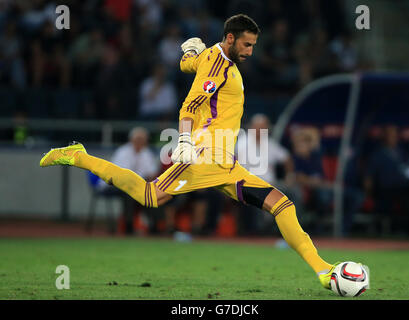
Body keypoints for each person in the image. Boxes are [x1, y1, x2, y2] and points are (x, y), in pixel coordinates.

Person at [40, 14, 343, 291]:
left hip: (226, 162)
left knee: (282, 204)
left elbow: (188, 65)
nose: (250, 51)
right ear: (230, 38)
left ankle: (323, 270)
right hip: (203, 154)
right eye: (247, 44)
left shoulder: (211, 56)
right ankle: (79, 156)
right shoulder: (218, 67)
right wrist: (184, 141)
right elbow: (190, 105)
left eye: (253, 45)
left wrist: (189, 51)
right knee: (150, 196)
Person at [235, 113, 299, 235]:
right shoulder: (241, 143)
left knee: (294, 192)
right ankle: (259, 232)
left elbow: (286, 158)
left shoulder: (270, 143)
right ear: (251, 127)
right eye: (257, 127)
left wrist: (289, 176)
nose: (260, 130)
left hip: (271, 184)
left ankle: (290, 231)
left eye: (263, 127)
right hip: (249, 184)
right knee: (255, 195)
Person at [97, 127, 159, 235]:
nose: (140, 142)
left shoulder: (146, 153)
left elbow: (152, 173)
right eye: (138, 139)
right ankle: (128, 226)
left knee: (154, 192)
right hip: (112, 184)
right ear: (131, 140)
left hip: (135, 185)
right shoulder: (123, 152)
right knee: (130, 192)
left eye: (142, 139)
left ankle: (153, 225)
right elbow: (122, 176)